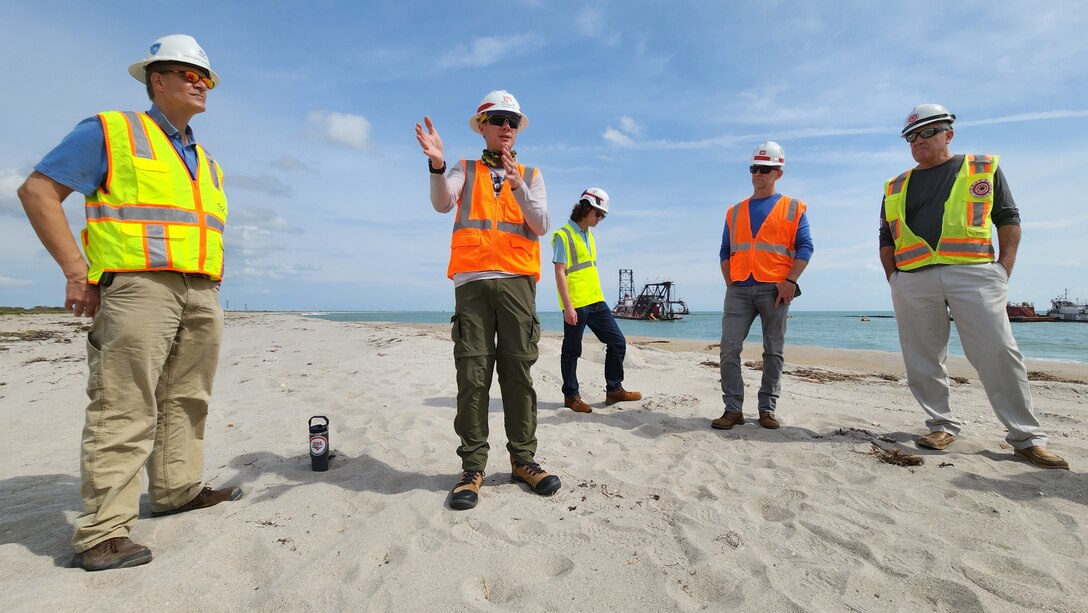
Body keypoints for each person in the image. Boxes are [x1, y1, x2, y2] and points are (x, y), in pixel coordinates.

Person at [16, 35, 242, 571]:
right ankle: (103, 533)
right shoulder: (111, 131)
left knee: (187, 397)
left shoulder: (206, 161)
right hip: (140, 288)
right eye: (189, 74)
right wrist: (76, 272)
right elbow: (37, 191)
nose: (201, 84)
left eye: (206, 78)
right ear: (156, 80)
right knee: (124, 403)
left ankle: (177, 489)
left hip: (201, 289)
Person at [879, 104, 1068, 469]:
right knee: (922, 358)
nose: (918, 140)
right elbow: (886, 235)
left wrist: (1003, 269)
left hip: (974, 273)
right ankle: (941, 426)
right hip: (913, 278)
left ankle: (1027, 438)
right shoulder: (895, 185)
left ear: (948, 134)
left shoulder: (982, 168)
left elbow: (1008, 219)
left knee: (999, 352)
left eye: (927, 132)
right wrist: (894, 278)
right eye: (911, 136)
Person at [416, 90, 561, 510]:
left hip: (517, 284)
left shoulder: (531, 175)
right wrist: (437, 165)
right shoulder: (463, 169)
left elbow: (541, 224)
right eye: (497, 119)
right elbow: (442, 203)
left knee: (518, 375)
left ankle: (523, 461)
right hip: (473, 284)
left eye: (512, 121)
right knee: (473, 376)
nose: (506, 127)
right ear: (482, 127)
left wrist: (518, 187)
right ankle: (472, 468)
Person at [712, 142, 813, 431]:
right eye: (754, 168)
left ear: (778, 173)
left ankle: (767, 410)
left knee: (773, 352)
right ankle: (733, 410)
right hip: (739, 290)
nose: (757, 173)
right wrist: (730, 282)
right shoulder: (734, 211)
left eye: (764, 169)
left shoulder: (793, 207)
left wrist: (790, 281)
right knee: (729, 349)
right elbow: (724, 250)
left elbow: (805, 247)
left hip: (776, 290)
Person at [552, 187, 642, 414]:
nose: (600, 218)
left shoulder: (589, 235)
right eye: (598, 213)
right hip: (576, 303)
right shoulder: (563, 235)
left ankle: (614, 390)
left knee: (617, 342)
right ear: (585, 208)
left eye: (603, 215)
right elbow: (560, 271)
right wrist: (568, 306)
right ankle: (571, 396)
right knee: (572, 351)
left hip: (596, 300)